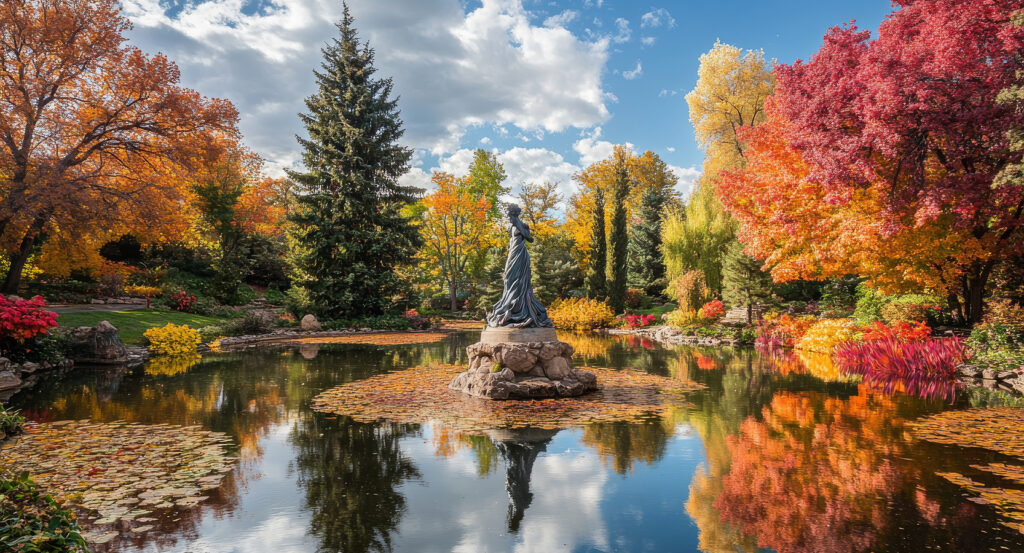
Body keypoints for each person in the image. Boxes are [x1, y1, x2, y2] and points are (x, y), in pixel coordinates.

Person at [486, 203, 554, 328]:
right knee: (509, 277)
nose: (508, 218)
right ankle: (508, 304)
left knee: (520, 280)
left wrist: (525, 228)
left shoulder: (521, 225)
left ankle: (520, 307)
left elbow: (530, 239)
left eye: (510, 215)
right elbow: (511, 241)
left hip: (520, 253)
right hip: (512, 252)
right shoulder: (509, 226)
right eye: (508, 216)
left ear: (515, 215)